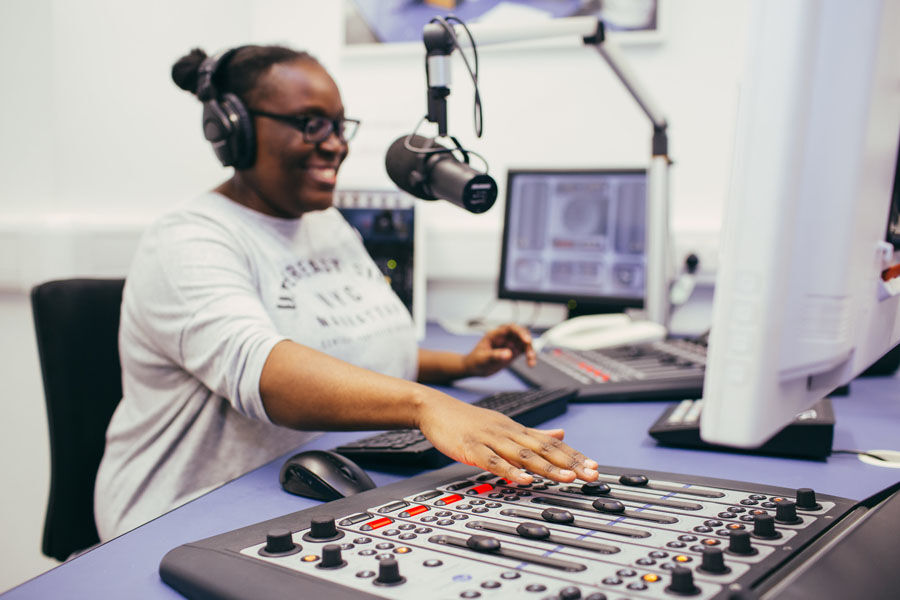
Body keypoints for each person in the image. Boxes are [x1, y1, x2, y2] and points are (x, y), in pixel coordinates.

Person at [94, 44, 599, 541]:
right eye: (311, 123)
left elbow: (348, 346)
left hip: (307, 491)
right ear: (236, 130)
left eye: (339, 125)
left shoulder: (324, 224)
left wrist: (461, 366)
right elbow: (266, 373)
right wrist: (431, 406)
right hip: (180, 518)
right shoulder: (187, 240)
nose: (336, 143)